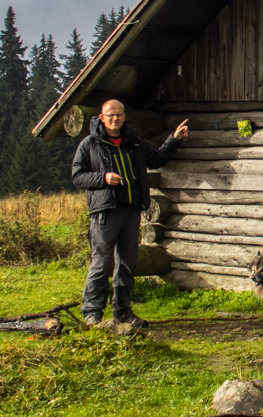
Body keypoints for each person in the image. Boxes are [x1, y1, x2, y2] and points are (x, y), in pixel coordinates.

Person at [72, 99, 188, 326]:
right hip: (105, 211)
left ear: (124, 117)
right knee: (102, 262)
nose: (115, 118)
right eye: (110, 115)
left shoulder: (134, 144)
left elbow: (156, 159)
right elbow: (78, 176)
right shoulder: (90, 144)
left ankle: (123, 312)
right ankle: (92, 312)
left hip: (131, 210)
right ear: (102, 117)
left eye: (119, 115)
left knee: (127, 263)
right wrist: (103, 178)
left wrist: (173, 140)